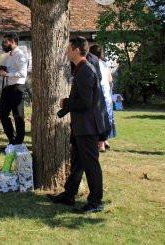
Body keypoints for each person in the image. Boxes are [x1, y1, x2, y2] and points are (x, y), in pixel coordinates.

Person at [50, 37, 107, 213]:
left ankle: (95, 202)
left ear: (76, 50)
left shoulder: (85, 71)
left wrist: (65, 103)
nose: (66, 52)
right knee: (77, 162)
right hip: (81, 125)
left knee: (90, 164)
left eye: (69, 49)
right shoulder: (81, 69)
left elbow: (86, 102)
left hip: (88, 126)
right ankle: (69, 195)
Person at [0, 33, 29, 147]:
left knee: (18, 116)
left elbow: (23, 73)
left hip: (17, 88)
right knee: (2, 114)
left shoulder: (20, 55)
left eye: (6, 42)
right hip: (8, 87)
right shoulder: (9, 55)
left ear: (13, 42)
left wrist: (7, 74)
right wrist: (2, 70)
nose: (3, 44)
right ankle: (12, 139)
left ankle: (19, 142)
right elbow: (9, 70)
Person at [90, 44, 116, 151]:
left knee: (98, 118)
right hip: (107, 94)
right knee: (107, 118)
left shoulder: (92, 64)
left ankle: (100, 143)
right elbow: (110, 79)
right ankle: (106, 140)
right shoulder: (105, 64)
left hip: (99, 94)